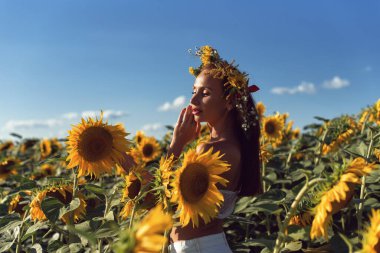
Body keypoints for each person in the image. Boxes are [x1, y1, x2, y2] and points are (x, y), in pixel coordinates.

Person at [166, 45, 263, 253]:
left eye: (205, 93)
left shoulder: (211, 150)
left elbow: (165, 199)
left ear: (228, 102)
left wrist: (176, 144)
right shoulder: (235, 146)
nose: (193, 100)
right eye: (193, 91)